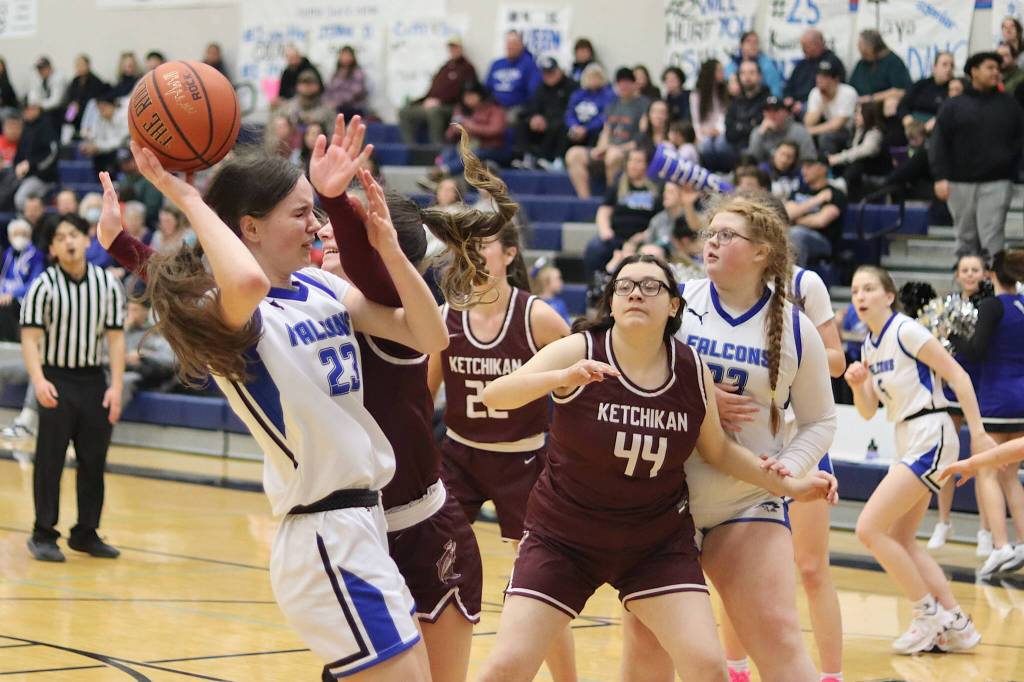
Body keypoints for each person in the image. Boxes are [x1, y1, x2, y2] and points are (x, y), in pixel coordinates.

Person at [104, 119, 512, 682]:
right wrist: (186, 195)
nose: (315, 226)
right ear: (250, 227)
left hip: (365, 523)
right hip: (322, 532)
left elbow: (429, 335)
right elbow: (242, 281)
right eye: (301, 213)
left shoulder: (321, 288)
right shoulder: (227, 305)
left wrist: (389, 249)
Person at [475, 253, 836, 682]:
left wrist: (790, 485)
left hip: (653, 544)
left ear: (674, 306)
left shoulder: (690, 370)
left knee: (707, 665)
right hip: (564, 538)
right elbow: (495, 395)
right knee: (506, 665)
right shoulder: (581, 350)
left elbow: (719, 452)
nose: (636, 294)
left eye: (651, 287)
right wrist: (559, 379)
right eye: (625, 286)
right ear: (611, 303)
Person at [620, 195, 837, 682]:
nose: (711, 242)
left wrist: (791, 467)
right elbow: (630, 370)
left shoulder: (797, 328)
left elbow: (821, 420)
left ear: (762, 251)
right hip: (667, 498)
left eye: (725, 235)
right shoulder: (680, 302)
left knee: (778, 635)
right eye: (709, 234)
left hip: (746, 497)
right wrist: (696, 393)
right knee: (646, 642)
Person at [427, 212, 577, 682]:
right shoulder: (444, 314)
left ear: (510, 255)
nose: (473, 252)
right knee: (432, 564)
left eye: (485, 244)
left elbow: (584, 382)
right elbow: (420, 397)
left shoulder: (537, 316)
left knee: (540, 585)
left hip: (524, 458)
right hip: (459, 456)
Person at [714, 189, 847, 682]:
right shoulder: (711, 293)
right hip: (741, 446)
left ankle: (830, 675)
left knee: (811, 569)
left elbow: (835, 359)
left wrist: (784, 365)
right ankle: (736, 670)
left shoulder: (805, 285)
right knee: (733, 572)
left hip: (798, 441)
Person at [845, 264, 989, 654]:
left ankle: (927, 614)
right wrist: (859, 386)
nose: (860, 296)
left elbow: (959, 377)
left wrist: (976, 432)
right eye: (856, 290)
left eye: (869, 288)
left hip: (933, 432)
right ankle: (956, 622)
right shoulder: (869, 346)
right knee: (901, 538)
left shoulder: (906, 330)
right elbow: (867, 411)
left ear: (888, 296)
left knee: (868, 528)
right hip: (906, 435)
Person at [21, 212, 125, 563]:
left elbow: (115, 341)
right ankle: (43, 533)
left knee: (94, 461)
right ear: (51, 247)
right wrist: (38, 381)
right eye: (61, 236)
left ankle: (86, 532)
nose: (69, 241)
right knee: (50, 461)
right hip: (57, 378)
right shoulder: (43, 285)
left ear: (87, 240)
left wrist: (116, 386)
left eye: (75, 234)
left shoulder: (107, 285)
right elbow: (30, 339)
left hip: (94, 380)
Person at [946, 249, 1024, 577]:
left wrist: (951, 337)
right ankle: (1021, 541)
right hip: (1022, 399)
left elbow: (976, 351)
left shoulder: (993, 305)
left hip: (996, 398)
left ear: (992, 275)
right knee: (1011, 474)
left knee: (989, 472)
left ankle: (1000, 547)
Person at [925, 254, 994, 554]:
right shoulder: (944, 305)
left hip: (981, 384)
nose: (969, 275)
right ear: (956, 274)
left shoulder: (991, 306)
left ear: (986, 274)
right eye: (964, 270)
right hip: (951, 384)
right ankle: (943, 522)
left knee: (981, 460)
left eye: (974, 270)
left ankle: (985, 529)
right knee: (948, 455)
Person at [930, 51, 1023, 261]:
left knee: (993, 241)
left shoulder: (1009, 105)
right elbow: (938, 142)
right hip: (959, 183)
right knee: (965, 240)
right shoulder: (953, 106)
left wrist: (1012, 170)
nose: (995, 72)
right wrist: (940, 176)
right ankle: (967, 289)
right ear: (974, 71)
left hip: (997, 182)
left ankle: (996, 290)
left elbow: (1019, 140)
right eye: (990, 67)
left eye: (997, 68)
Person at [565, 67, 649, 198]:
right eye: (620, 83)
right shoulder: (612, 105)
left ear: (634, 84)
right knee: (573, 154)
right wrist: (600, 148)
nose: (623, 86)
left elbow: (643, 135)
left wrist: (619, 148)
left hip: (628, 150)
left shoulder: (643, 104)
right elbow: (606, 131)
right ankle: (585, 200)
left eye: (627, 82)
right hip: (609, 148)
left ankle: (611, 200)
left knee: (613, 156)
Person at [583, 147, 660, 276]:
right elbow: (604, 210)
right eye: (631, 160)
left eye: (638, 161)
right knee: (594, 248)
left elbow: (660, 219)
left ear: (647, 165)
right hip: (616, 237)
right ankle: (597, 288)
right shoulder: (618, 185)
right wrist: (605, 230)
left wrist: (644, 235)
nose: (633, 165)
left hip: (642, 239)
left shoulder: (655, 189)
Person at [398, 35, 478, 145]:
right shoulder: (444, 67)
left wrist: (440, 101)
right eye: (451, 48)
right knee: (405, 111)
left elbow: (465, 94)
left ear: (461, 48)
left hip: (451, 107)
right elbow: (433, 89)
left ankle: (437, 148)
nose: (453, 50)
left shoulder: (467, 68)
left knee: (434, 112)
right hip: (432, 104)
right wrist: (422, 101)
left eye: (455, 47)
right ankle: (411, 147)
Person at [785, 152, 848, 267]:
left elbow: (820, 221)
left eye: (809, 166)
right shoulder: (798, 191)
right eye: (802, 167)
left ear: (823, 168)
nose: (804, 171)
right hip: (795, 232)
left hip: (823, 241)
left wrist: (795, 219)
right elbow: (787, 215)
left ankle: (794, 280)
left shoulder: (836, 194)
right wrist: (817, 200)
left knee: (797, 234)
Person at [517, 56, 576, 168]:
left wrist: (546, 120)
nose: (548, 75)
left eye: (551, 72)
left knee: (558, 125)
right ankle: (526, 157)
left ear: (559, 71)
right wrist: (534, 117)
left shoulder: (571, 86)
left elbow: (570, 110)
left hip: (560, 121)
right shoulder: (540, 88)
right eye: (545, 73)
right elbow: (534, 106)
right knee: (523, 123)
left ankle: (545, 158)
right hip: (542, 121)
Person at [828, 101, 889, 202]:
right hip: (861, 171)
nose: (855, 116)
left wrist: (838, 158)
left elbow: (862, 151)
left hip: (875, 170)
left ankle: (842, 183)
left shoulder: (875, 132)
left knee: (856, 162)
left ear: (867, 114)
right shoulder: (859, 131)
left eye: (858, 113)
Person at [563, 63, 615, 173]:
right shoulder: (577, 95)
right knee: (563, 129)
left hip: (594, 130)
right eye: (590, 77)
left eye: (596, 77)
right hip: (577, 128)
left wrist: (587, 128)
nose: (593, 80)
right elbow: (569, 113)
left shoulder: (608, 95)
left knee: (599, 133)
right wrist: (574, 126)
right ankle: (560, 161)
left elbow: (605, 116)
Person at [9, 103, 59, 213]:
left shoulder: (46, 126)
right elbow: (20, 153)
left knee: (20, 199)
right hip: (25, 175)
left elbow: (52, 153)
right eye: (25, 109)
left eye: (30, 109)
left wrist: (31, 164)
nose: (27, 112)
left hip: (43, 177)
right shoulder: (26, 127)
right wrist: (16, 165)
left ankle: (30, 224)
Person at [0, 218, 44, 341]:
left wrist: (12, 294)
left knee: (8, 305)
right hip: (5, 295)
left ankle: (13, 340)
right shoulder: (7, 254)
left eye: (23, 234)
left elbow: (35, 282)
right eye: (16, 234)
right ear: (9, 237)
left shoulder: (36, 256)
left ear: (29, 236)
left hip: (22, 298)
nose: (19, 237)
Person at [784, 29, 847, 114]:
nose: (803, 50)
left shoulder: (832, 62)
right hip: (795, 104)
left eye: (806, 46)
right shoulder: (802, 64)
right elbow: (789, 85)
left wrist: (803, 105)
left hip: (817, 105)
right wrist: (788, 98)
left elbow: (832, 90)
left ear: (817, 44)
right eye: (802, 46)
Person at [804, 60, 858, 155]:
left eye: (825, 77)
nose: (819, 79)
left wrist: (811, 131)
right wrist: (821, 105)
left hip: (849, 131)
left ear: (835, 79)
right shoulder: (815, 92)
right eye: (818, 75)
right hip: (827, 125)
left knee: (826, 137)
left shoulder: (848, 93)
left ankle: (828, 168)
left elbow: (838, 124)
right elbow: (808, 122)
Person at [485, 30, 542, 120]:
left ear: (521, 46)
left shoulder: (529, 65)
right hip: (495, 107)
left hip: (517, 109)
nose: (510, 47)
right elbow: (487, 88)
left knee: (509, 119)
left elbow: (533, 93)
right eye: (508, 44)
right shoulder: (496, 64)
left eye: (514, 44)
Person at [849, 30, 912, 107]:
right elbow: (851, 87)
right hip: (858, 105)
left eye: (865, 51)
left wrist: (871, 98)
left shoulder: (893, 62)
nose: (862, 54)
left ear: (873, 48)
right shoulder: (862, 63)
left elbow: (901, 91)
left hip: (880, 106)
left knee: (891, 103)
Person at [745, 97, 816, 164]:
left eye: (775, 111)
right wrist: (759, 135)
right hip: (767, 174)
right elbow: (752, 161)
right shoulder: (759, 132)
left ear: (785, 112)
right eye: (767, 111)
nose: (771, 115)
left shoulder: (799, 131)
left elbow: (809, 158)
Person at [897, 52, 953, 134]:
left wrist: (935, 123)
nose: (949, 69)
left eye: (952, 65)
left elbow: (951, 112)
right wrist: (908, 120)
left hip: (936, 127)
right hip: (913, 125)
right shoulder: (921, 84)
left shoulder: (953, 88)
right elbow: (903, 105)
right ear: (934, 67)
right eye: (944, 65)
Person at [689, 59, 730, 166]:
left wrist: (718, 130)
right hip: (703, 133)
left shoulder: (724, 92)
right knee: (705, 146)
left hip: (721, 131)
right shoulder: (696, 95)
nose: (723, 74)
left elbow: (724, 115)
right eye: (719, 71)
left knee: (720, 144)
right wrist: (700, 135)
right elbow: (696, 121)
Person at [78, 90, 128, 177]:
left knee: (117, 153)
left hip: (125, 149)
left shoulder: (124, 116)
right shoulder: (102, 118)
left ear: (113, 105)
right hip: (108, 150)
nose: (102, 111)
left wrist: (98, 146)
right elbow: (95, 136)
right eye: (100, 109)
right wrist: (90, 145)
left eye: (104, 107)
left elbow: (120, 141)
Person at [724, 60, 770, 153]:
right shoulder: (735, 101)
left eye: (751, 72)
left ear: (760, 76)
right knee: (709, 146)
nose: (747, 77)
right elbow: (729, 133)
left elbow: (758, 129)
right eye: (743, 73)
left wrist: (739, 126)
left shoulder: (768, 100)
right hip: (734, 145)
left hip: (757, 146)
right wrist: (748, 125)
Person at [724, 31, 783, 98]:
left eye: (755, 42)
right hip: (737, 103)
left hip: (760, 103)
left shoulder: (767, 65)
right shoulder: (733, 65)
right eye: (748, 41)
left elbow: (775, 92)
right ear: (741, 45)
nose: (752, 45)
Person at [61, 54, 108, 138]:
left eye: (81, 65)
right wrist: (73, 104)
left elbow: (93, 100)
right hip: (75, 110)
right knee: (69, 112)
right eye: (77, 65)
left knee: (77, 109)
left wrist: (79, 106)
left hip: (89, 111)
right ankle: (66, 140)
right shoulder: (75, 81)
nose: (79, 67)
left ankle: (83, 135)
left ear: (88, 65)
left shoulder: (95, 81)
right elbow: (70, 97)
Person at [279, 69, 335, 135]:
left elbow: (333, 134)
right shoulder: (288, 107)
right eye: (304, 83)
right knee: (280, 122)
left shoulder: (328, 109)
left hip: (319, 144)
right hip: (291, 143)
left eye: (311, 83)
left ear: (318, 86)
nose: (307, 86)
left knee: (314, 129)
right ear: (297, 86)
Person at [324, 46, 368, 120]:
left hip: (352, 108)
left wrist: (337, 102)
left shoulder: (358, 73)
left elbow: (355, 93)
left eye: (347, 55)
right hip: (335, 107)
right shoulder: (335, 74)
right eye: (343, 55)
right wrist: (327, 102)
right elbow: (328, 90)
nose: (345, 58)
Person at [26, 56, 68, 128]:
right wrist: (33, 107)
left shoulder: (59, 78)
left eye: (42, 69)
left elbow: (56, 101)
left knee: (48, 117)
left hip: (64, 109)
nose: (40, 72)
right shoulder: (40, 78)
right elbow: (33, 94)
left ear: (49, 68)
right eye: (39, 69)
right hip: (45, 109)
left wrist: (39, 106)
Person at [530, 258, 569, 323]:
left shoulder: (559, 303)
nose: (561, 281)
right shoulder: (535, 303)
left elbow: (567, 326)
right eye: (558, 278)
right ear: (546, 282)